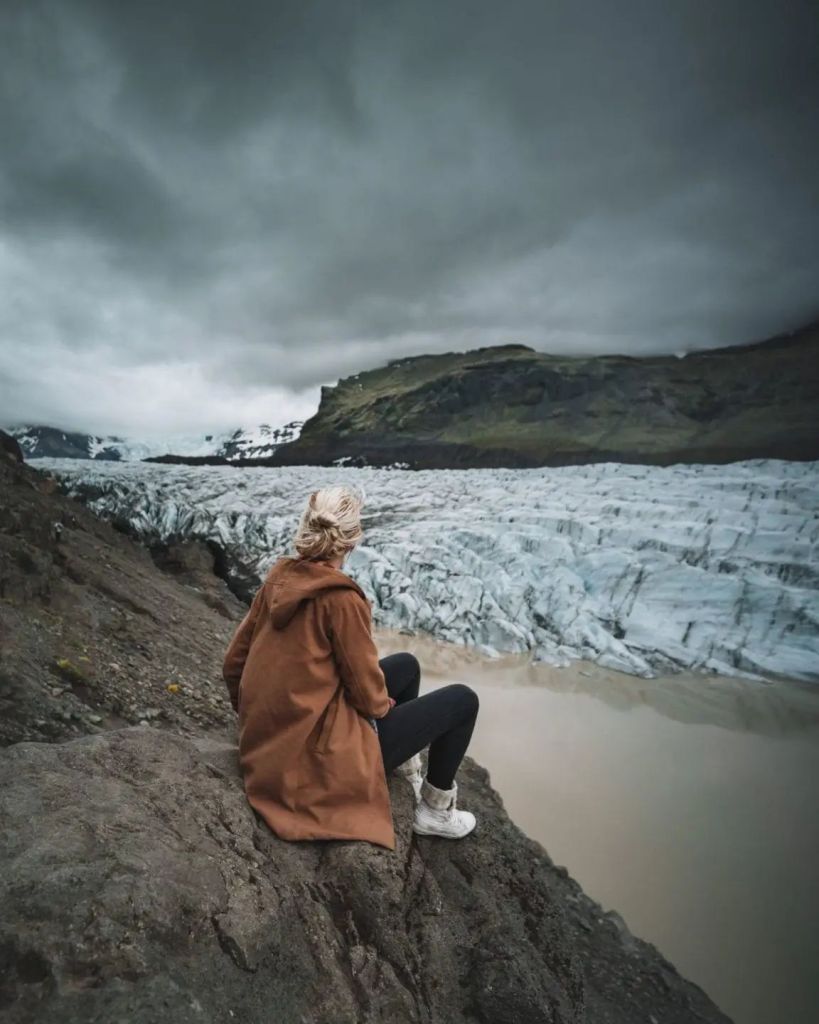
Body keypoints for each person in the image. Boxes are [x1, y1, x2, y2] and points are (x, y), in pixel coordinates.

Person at [221, 484, 480, 851]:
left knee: (407, 664)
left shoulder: (279, 580)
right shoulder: (340, 599)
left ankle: (403, 767)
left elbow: (234, 662)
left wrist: (260, 722)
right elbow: (366, 694)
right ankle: (435, 813)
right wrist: (382, 711)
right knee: (463, 700)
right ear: (351, 540)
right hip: (312, 763)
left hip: (270, 746)